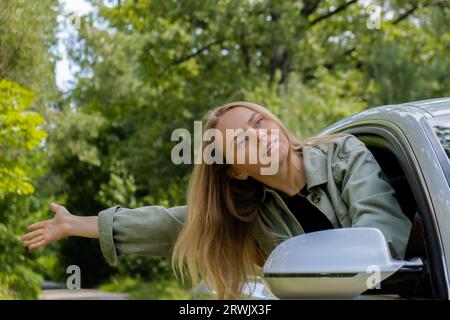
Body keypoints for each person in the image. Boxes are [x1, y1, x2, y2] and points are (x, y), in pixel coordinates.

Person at [20, 101, 412, 299]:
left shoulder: (344, 154)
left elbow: (384, 242)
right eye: (242, 139)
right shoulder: (254, 214)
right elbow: (172, 224)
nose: (260, 134)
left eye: (259, 122)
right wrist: (74, 224)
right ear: (237, 171)